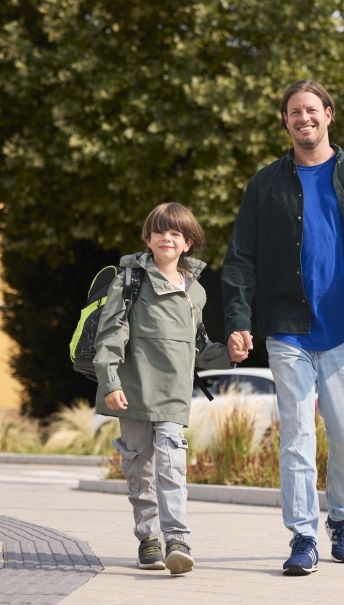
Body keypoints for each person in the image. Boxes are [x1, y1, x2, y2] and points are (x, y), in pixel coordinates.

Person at [221, 80, 344, 576]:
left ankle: (343, 518)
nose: (303, 118)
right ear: (285, 121)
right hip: (287, 328)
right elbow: (240, 259)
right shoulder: (265, 184)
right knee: (296, 436)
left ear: (329, 114)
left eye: (311, 109)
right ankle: (303, 536)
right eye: (294, 112)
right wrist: (238, 321)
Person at [93, 202, 247, 575]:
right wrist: (110, 382)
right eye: (159, 231)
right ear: (147, 239)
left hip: (174, 394)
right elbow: (111, 335)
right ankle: (148, 540)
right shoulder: (129, 281)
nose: (167, 238)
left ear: (188, 243)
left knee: (172, 462)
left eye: (176, 233)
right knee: (139, 467)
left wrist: (229, 354)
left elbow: (198, 347)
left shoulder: (195, 292)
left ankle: (177, 539)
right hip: (132, 391)